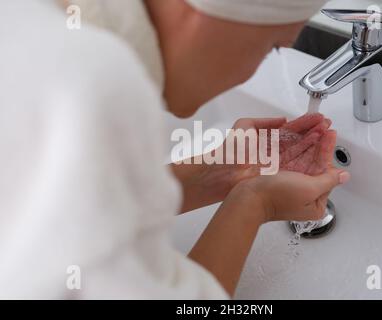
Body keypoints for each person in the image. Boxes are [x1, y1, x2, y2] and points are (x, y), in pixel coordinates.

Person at [0, 0, 349, 299]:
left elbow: (71, 209)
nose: (251, 72)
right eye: (273, 45)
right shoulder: (95, 82)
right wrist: (256, 201)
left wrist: (221, 170)